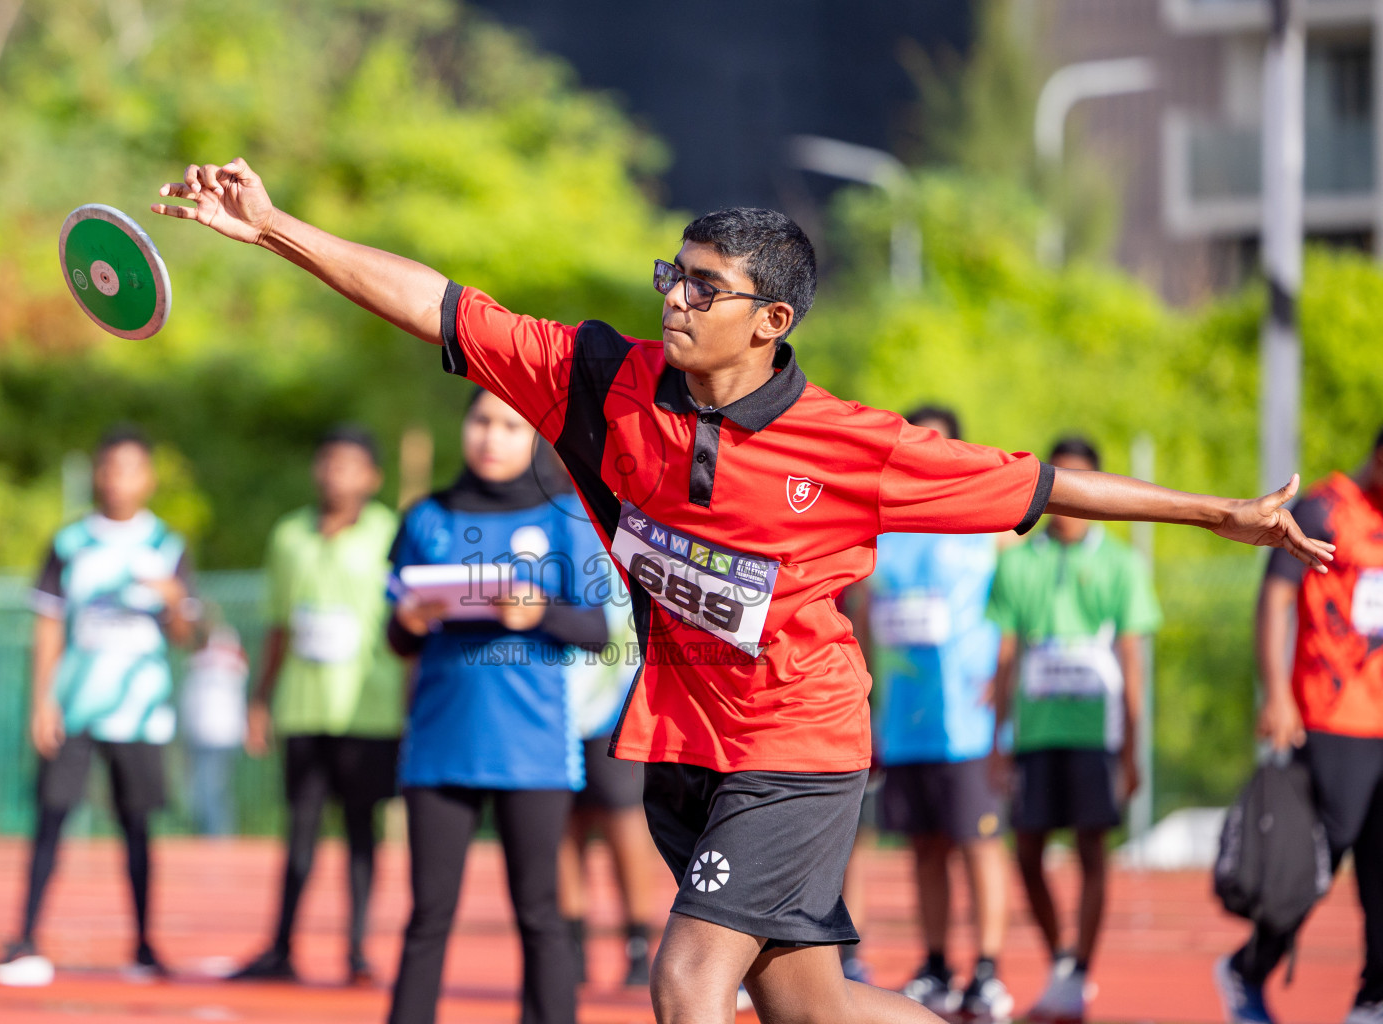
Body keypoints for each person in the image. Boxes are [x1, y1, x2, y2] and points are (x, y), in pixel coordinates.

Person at [152, 158, 1331, 1024]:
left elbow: (1044, 487)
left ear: (770, 322)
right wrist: (273, 229)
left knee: (685, 984)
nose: (675, 298)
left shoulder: (852, 445)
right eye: (674, 273)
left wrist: (1220, 513)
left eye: (704, 288)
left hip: (798, 743)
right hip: (682, 747)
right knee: (813, 1006)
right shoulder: (600, 382)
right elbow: (437, 305)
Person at [384, 388, 609, 1024]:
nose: (491, 436)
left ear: (532, 438)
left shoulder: (567, 518)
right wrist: (409, 618)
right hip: (438, 744)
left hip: (533, 747)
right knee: (428, 913)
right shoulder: (425, 518)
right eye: (481, 421)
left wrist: (537, 611)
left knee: (540, 912)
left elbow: (596, 632)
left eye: (510, 426)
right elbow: (396, 639)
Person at [0, 426, 197, 987]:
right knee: (51, 819)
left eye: (130, 469)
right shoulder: (68, 544)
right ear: (97, 474)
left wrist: (178, 604)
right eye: (109, 468)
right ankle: (26, 936)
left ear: (148, 478)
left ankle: (144, 945)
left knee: (137, 828)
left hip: (140, 713)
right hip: (75, 707)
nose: (118, 480)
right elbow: (49, 625)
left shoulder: (167, 547)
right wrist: (42, 701)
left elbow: (186, 635)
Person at [986, 437, 1160, 1023]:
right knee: (1028, 851)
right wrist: (996, 742)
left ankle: (1079, 972)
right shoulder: (1018, 561)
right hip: (1035, 734)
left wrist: (1133, 750)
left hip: (1095, 734)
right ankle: (1062, 959)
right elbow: (1006, 654)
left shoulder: (1121, 564)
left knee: (1091, 850)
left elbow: (1133, 659)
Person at [1215, 427, 1383, 1024]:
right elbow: (1276, 598)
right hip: (1335, 720)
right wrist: (1277, 694)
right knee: (1313, 863)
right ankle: (1248, 968)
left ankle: (1373, 997)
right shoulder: (1324, 507)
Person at [231, 424, 404, 985]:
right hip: (302, 707)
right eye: (327, 462)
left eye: (350, 465)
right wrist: (259, 700)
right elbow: (279, 626)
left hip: (368, 709)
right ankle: (281, 946)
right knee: (300, 832)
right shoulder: (288, 536)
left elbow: (409, 622)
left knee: (361, 832)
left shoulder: (391, 533)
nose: (336, 474)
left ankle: (356, 949)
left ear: (372, 477)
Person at [860, 406, 1012, 1022]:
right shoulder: (884, 530)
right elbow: (868, 619)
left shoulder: (987, 523)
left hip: (968, 724)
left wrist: (1002, 686)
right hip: (905, 720)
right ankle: (936, 962)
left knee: (978, 844)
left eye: (936, 445)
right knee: (923, 847)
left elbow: (1015, 609)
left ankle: (989, 969)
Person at [559, 569, 655, 989]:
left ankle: (637, 944)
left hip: (614, 700)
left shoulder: (620, 518)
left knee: (623, 818)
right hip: (552, 704)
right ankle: (573, 948)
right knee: (561, 823)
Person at [180, 616, 248, 837]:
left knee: (208, 790)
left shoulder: (206, 661)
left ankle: (215, 837)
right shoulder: (227, 661)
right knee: (210, 789)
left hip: (215, 733)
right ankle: (215, 835)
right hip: (210, 733)